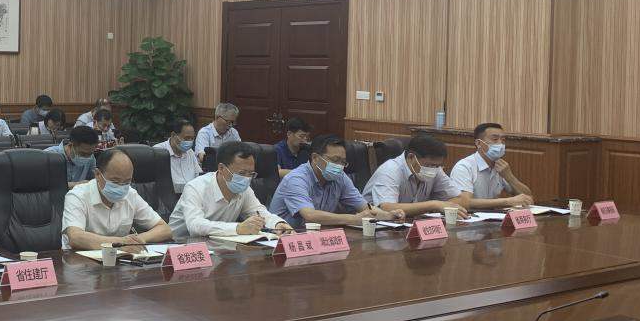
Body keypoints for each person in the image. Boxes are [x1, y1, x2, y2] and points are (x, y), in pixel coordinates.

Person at [269, 134, 404, 229]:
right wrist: (355, 219)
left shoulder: (340, 177)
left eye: (343, 162)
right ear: (315, 158)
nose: (339, 166)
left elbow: (365, 207)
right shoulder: (296, 179)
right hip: (281, 240)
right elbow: (310, 216)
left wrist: (389, 215)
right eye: (335, 160)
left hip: (317, 236)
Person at [169, 142, 293, 240]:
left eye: (251, 174)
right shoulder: (195, 187)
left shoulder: (244, 189)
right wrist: (238, 228)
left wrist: (277, 224)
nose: (246, 178)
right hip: (178, 245)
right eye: (241, 173)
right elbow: (195, 226)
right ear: (221, 168)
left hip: (217, 244)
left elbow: (260, 213)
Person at [61, 147, 173, 250]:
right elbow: (75, 237)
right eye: (115, 181)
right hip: (79, 260)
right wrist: (120, 243)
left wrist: (138, 240)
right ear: (98, 174)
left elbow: (165, 229)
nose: (121, 187)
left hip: (120, 260)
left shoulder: (130, 194)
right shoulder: (77, 196)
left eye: (127, 182)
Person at [362, 134, 469, 220]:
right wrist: (434, 205)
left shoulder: (435, 169)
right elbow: (386, 208)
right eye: (429, 165)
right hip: (374, 226)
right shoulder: (390, 170)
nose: (433, 169)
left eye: (437, 166)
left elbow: (458, 198)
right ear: (411, 157)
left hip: (409, 224)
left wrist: (442, 206)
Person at [449, 123, 534, 210]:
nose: (500, 144)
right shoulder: (464, 167)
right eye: (495, 139)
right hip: (470, 216)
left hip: (493, 216)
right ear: (478, 143)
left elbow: (528, 197)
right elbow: (464, 202)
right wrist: (507, 201)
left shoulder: (501, 167)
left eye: (503, 140)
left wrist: (509, 177)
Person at [153, 119, 202, 193]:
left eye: (192, 138)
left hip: (191, 194)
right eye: (186, 138)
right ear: (173, 135)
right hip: (169, 196)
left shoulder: (190, 152)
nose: (189, 142)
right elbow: (158, 184)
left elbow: (198, 175)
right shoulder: (158, 152)